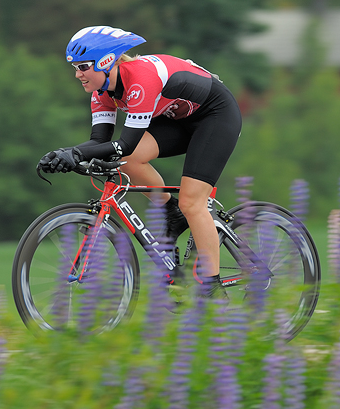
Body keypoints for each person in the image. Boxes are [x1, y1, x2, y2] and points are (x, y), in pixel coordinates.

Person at [38, 26, 242, 298]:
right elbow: (99, 141)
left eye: (83, 66)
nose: (77, 74)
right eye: (75, 67)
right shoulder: (101, 92)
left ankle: (212, 289)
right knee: (129, 162)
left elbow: (125, 145)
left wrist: (76, 154)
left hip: (216, 116)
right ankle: (171, 212)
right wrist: (66, 153)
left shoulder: (140, 80)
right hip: (178, 119)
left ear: (106, 62)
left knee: (192, 201)